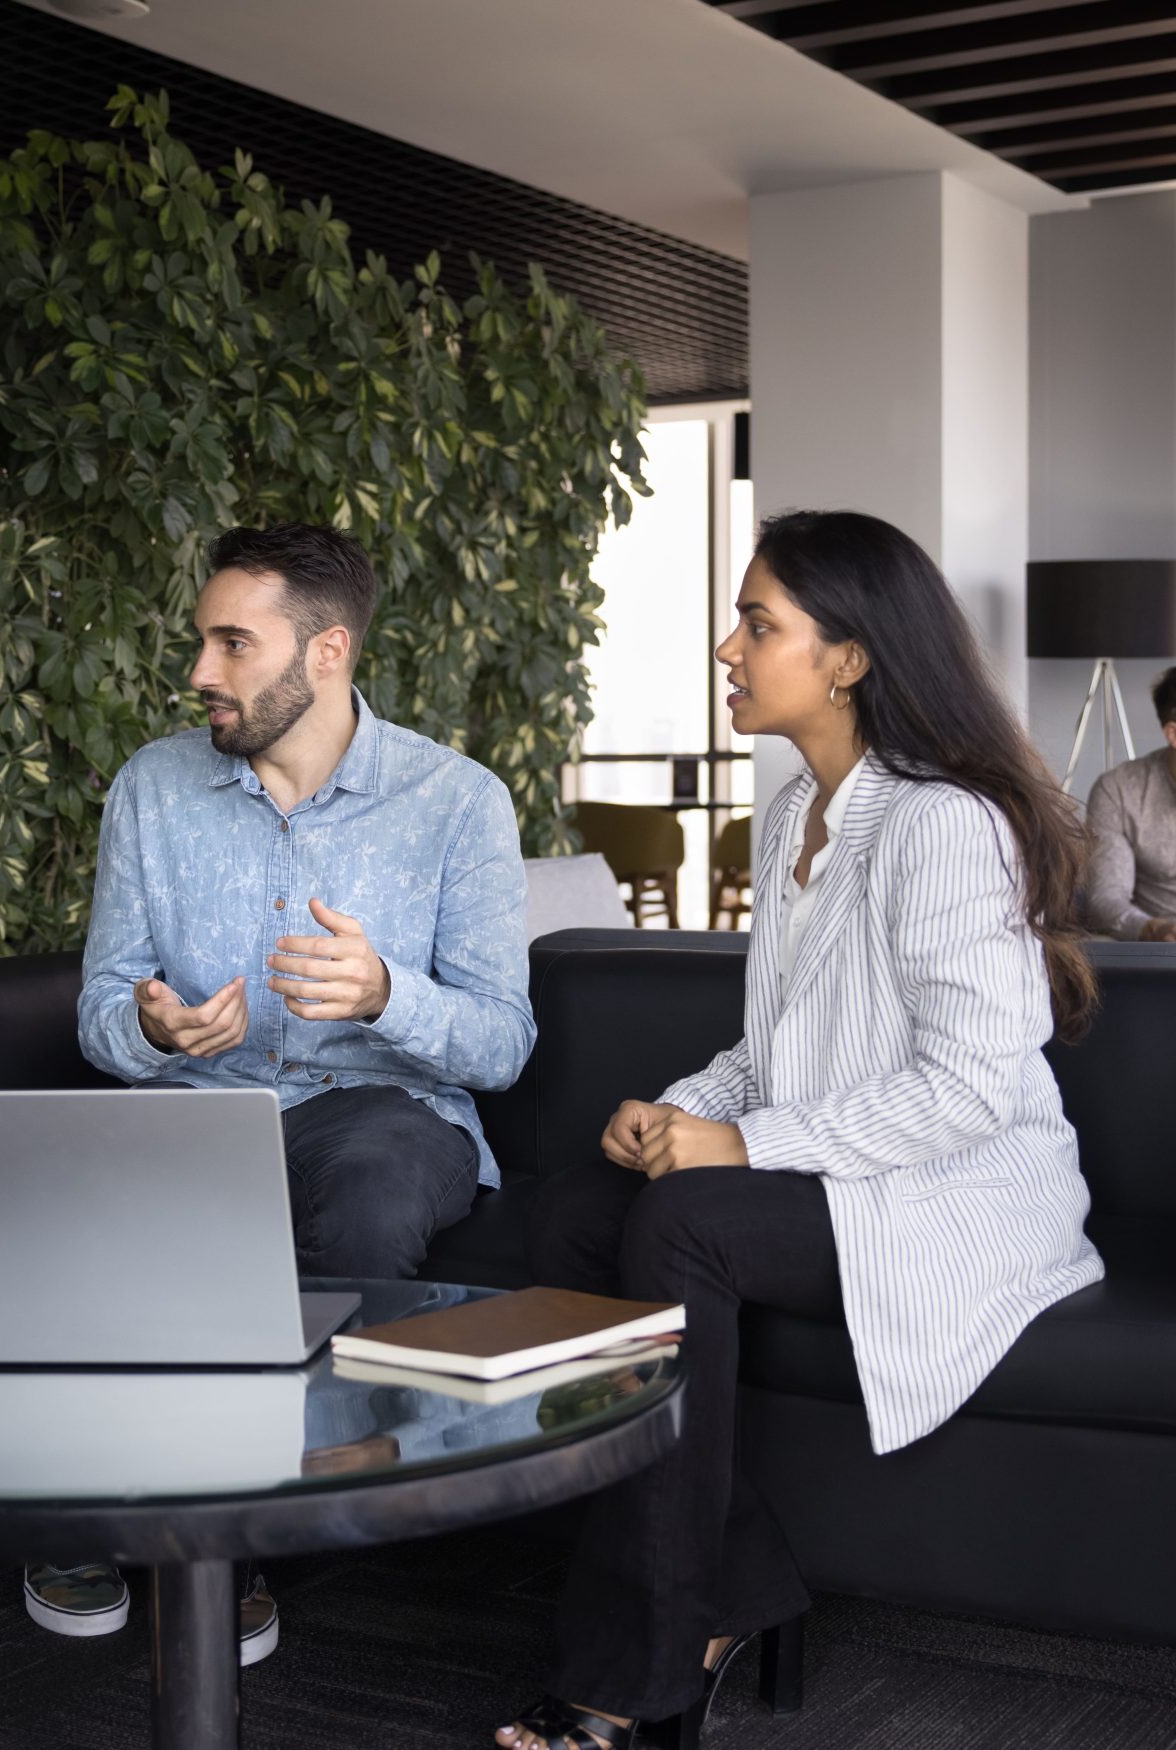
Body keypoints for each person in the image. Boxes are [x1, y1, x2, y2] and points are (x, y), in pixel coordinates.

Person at [495, 510, 1105, 1750]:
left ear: (848, 658)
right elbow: (772, 1052)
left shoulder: (943, 823)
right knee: (567, 1209)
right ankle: (731, 1584)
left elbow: (974, 1089)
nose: (728, 646)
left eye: (757, 622)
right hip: (846, 1164)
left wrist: (739, 1149)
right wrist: (684, 1110)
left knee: (681, 1226)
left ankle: (646, 1666)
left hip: (961, 1188)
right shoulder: (792, 818)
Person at [49, 522, 536, 1651]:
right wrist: (151, 1026)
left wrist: (382, 996)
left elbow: (503, 1042)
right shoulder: (153, 788)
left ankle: (235, 1539)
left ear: (327, 653)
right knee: (69, 1186)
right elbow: (100, 1007)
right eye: (201, 643)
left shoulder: (457, 802)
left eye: (233, 644)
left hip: (379, 1104)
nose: (200, 674)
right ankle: (72, 1499)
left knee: (366, 1186)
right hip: (196, 1103)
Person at [1083, 665, 1176, 940]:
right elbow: (1106, 897)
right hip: (1162, 955)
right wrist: (1153, 929)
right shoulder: (1119, 790)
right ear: (1173, 733)